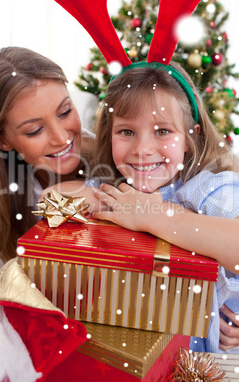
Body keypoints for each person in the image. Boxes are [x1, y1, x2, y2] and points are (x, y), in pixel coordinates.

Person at [89, 61, 239, 353]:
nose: (142, 149)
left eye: (162, 131)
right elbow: (53, 197)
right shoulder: (114, 190)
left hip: (196, 360)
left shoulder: (209, 190)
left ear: (190, 137)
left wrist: (151, 215)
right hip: (129, 349)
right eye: (127, 132)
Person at [0, 46, 95, 296]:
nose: (61, 138)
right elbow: (1, 294)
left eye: (65, 112)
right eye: (35, 131)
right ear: (2, 141)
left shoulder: (126, 163)